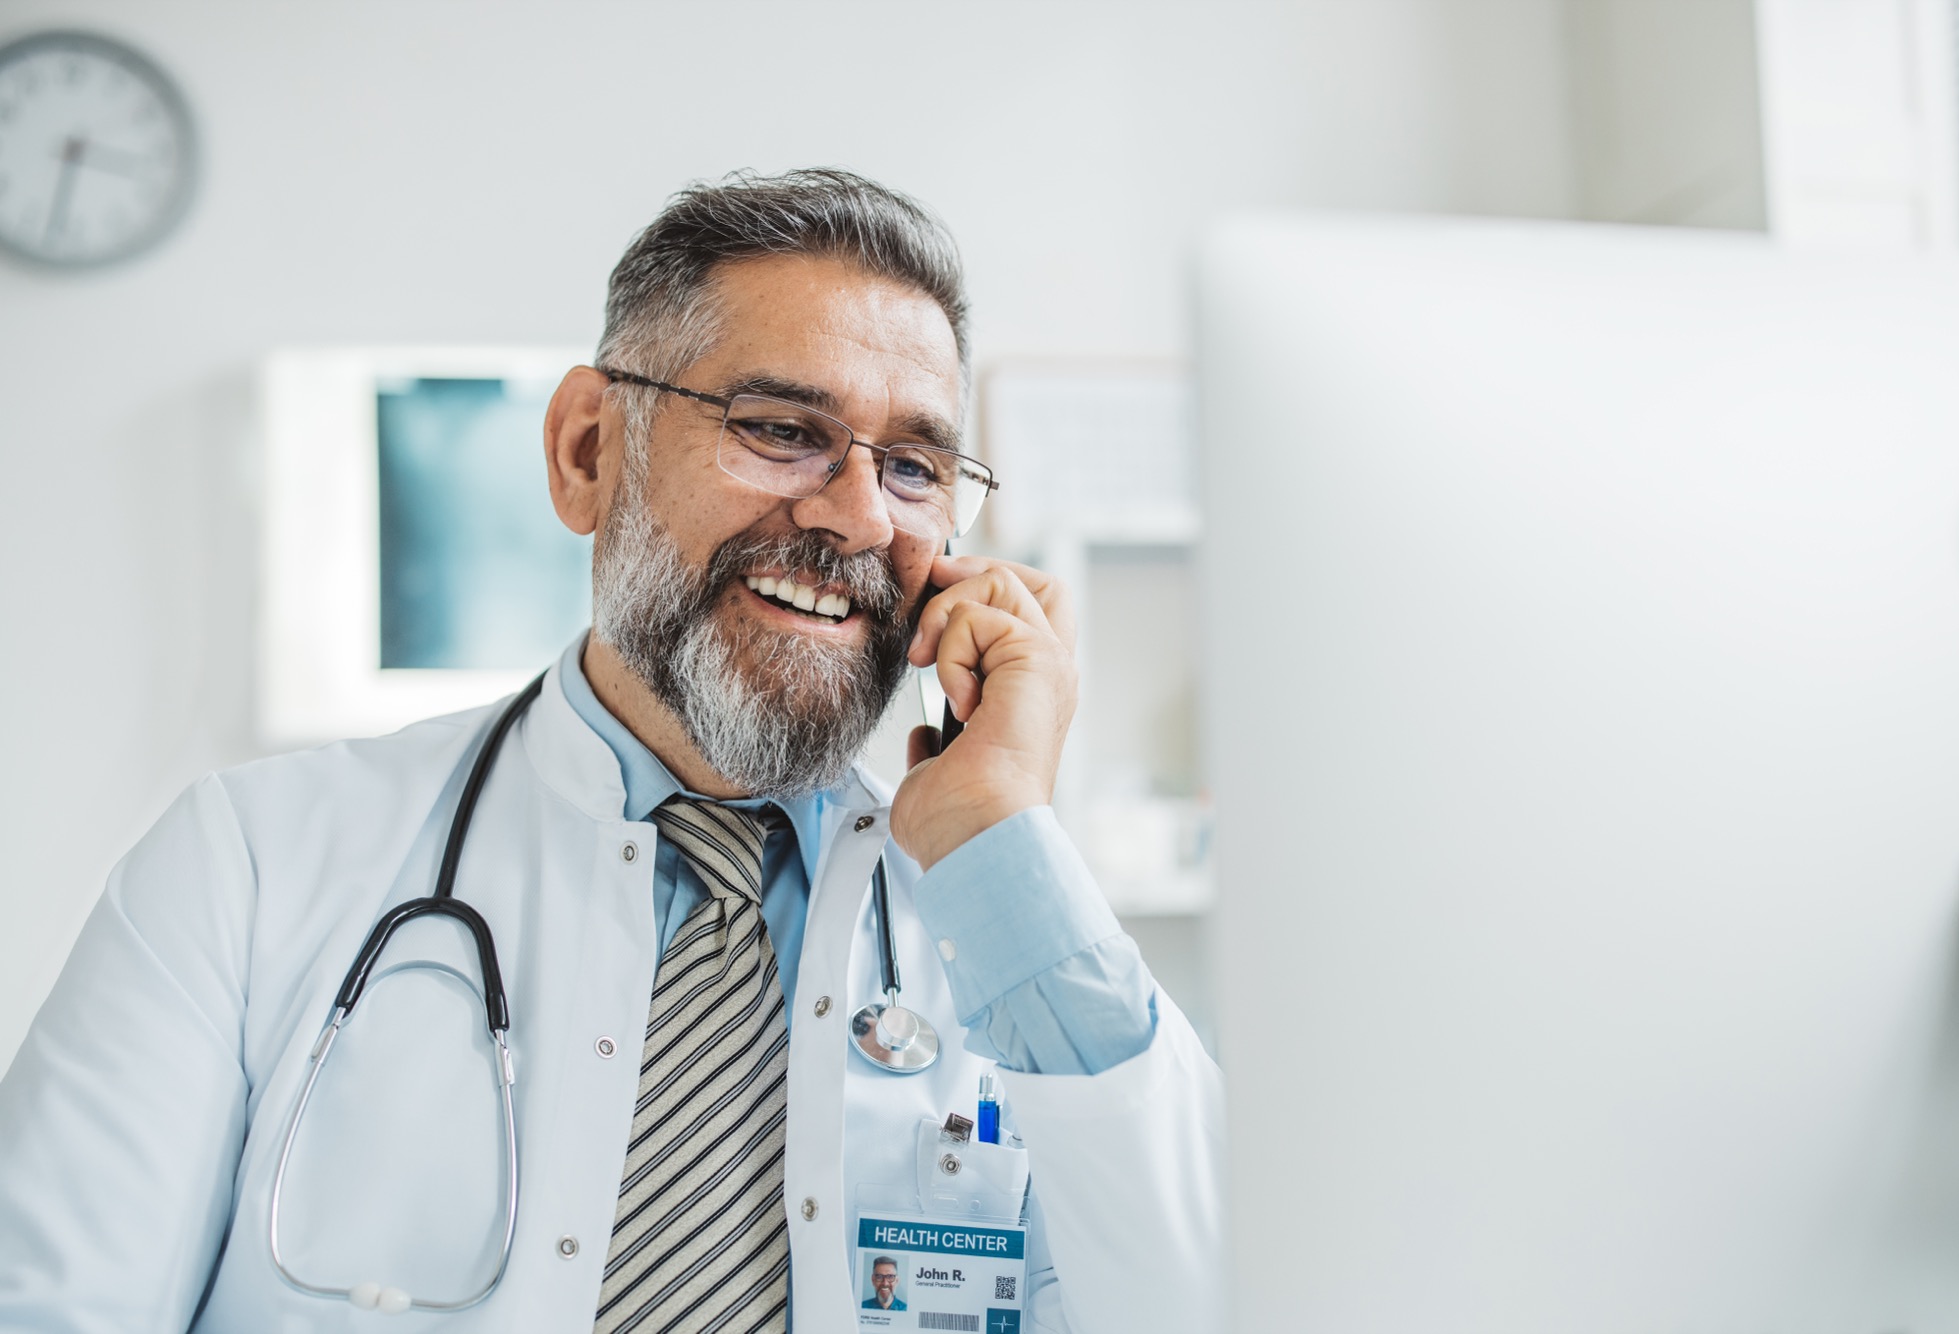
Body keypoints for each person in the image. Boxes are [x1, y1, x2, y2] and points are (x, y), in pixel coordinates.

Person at [0, 169, 1224, 1333]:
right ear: (589, 449)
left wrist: (1000, 832)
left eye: (913, 467)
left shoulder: (1009, 940)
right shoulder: (251, 867)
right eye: (781, 426)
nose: (859, 515)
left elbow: (1216, 1302)